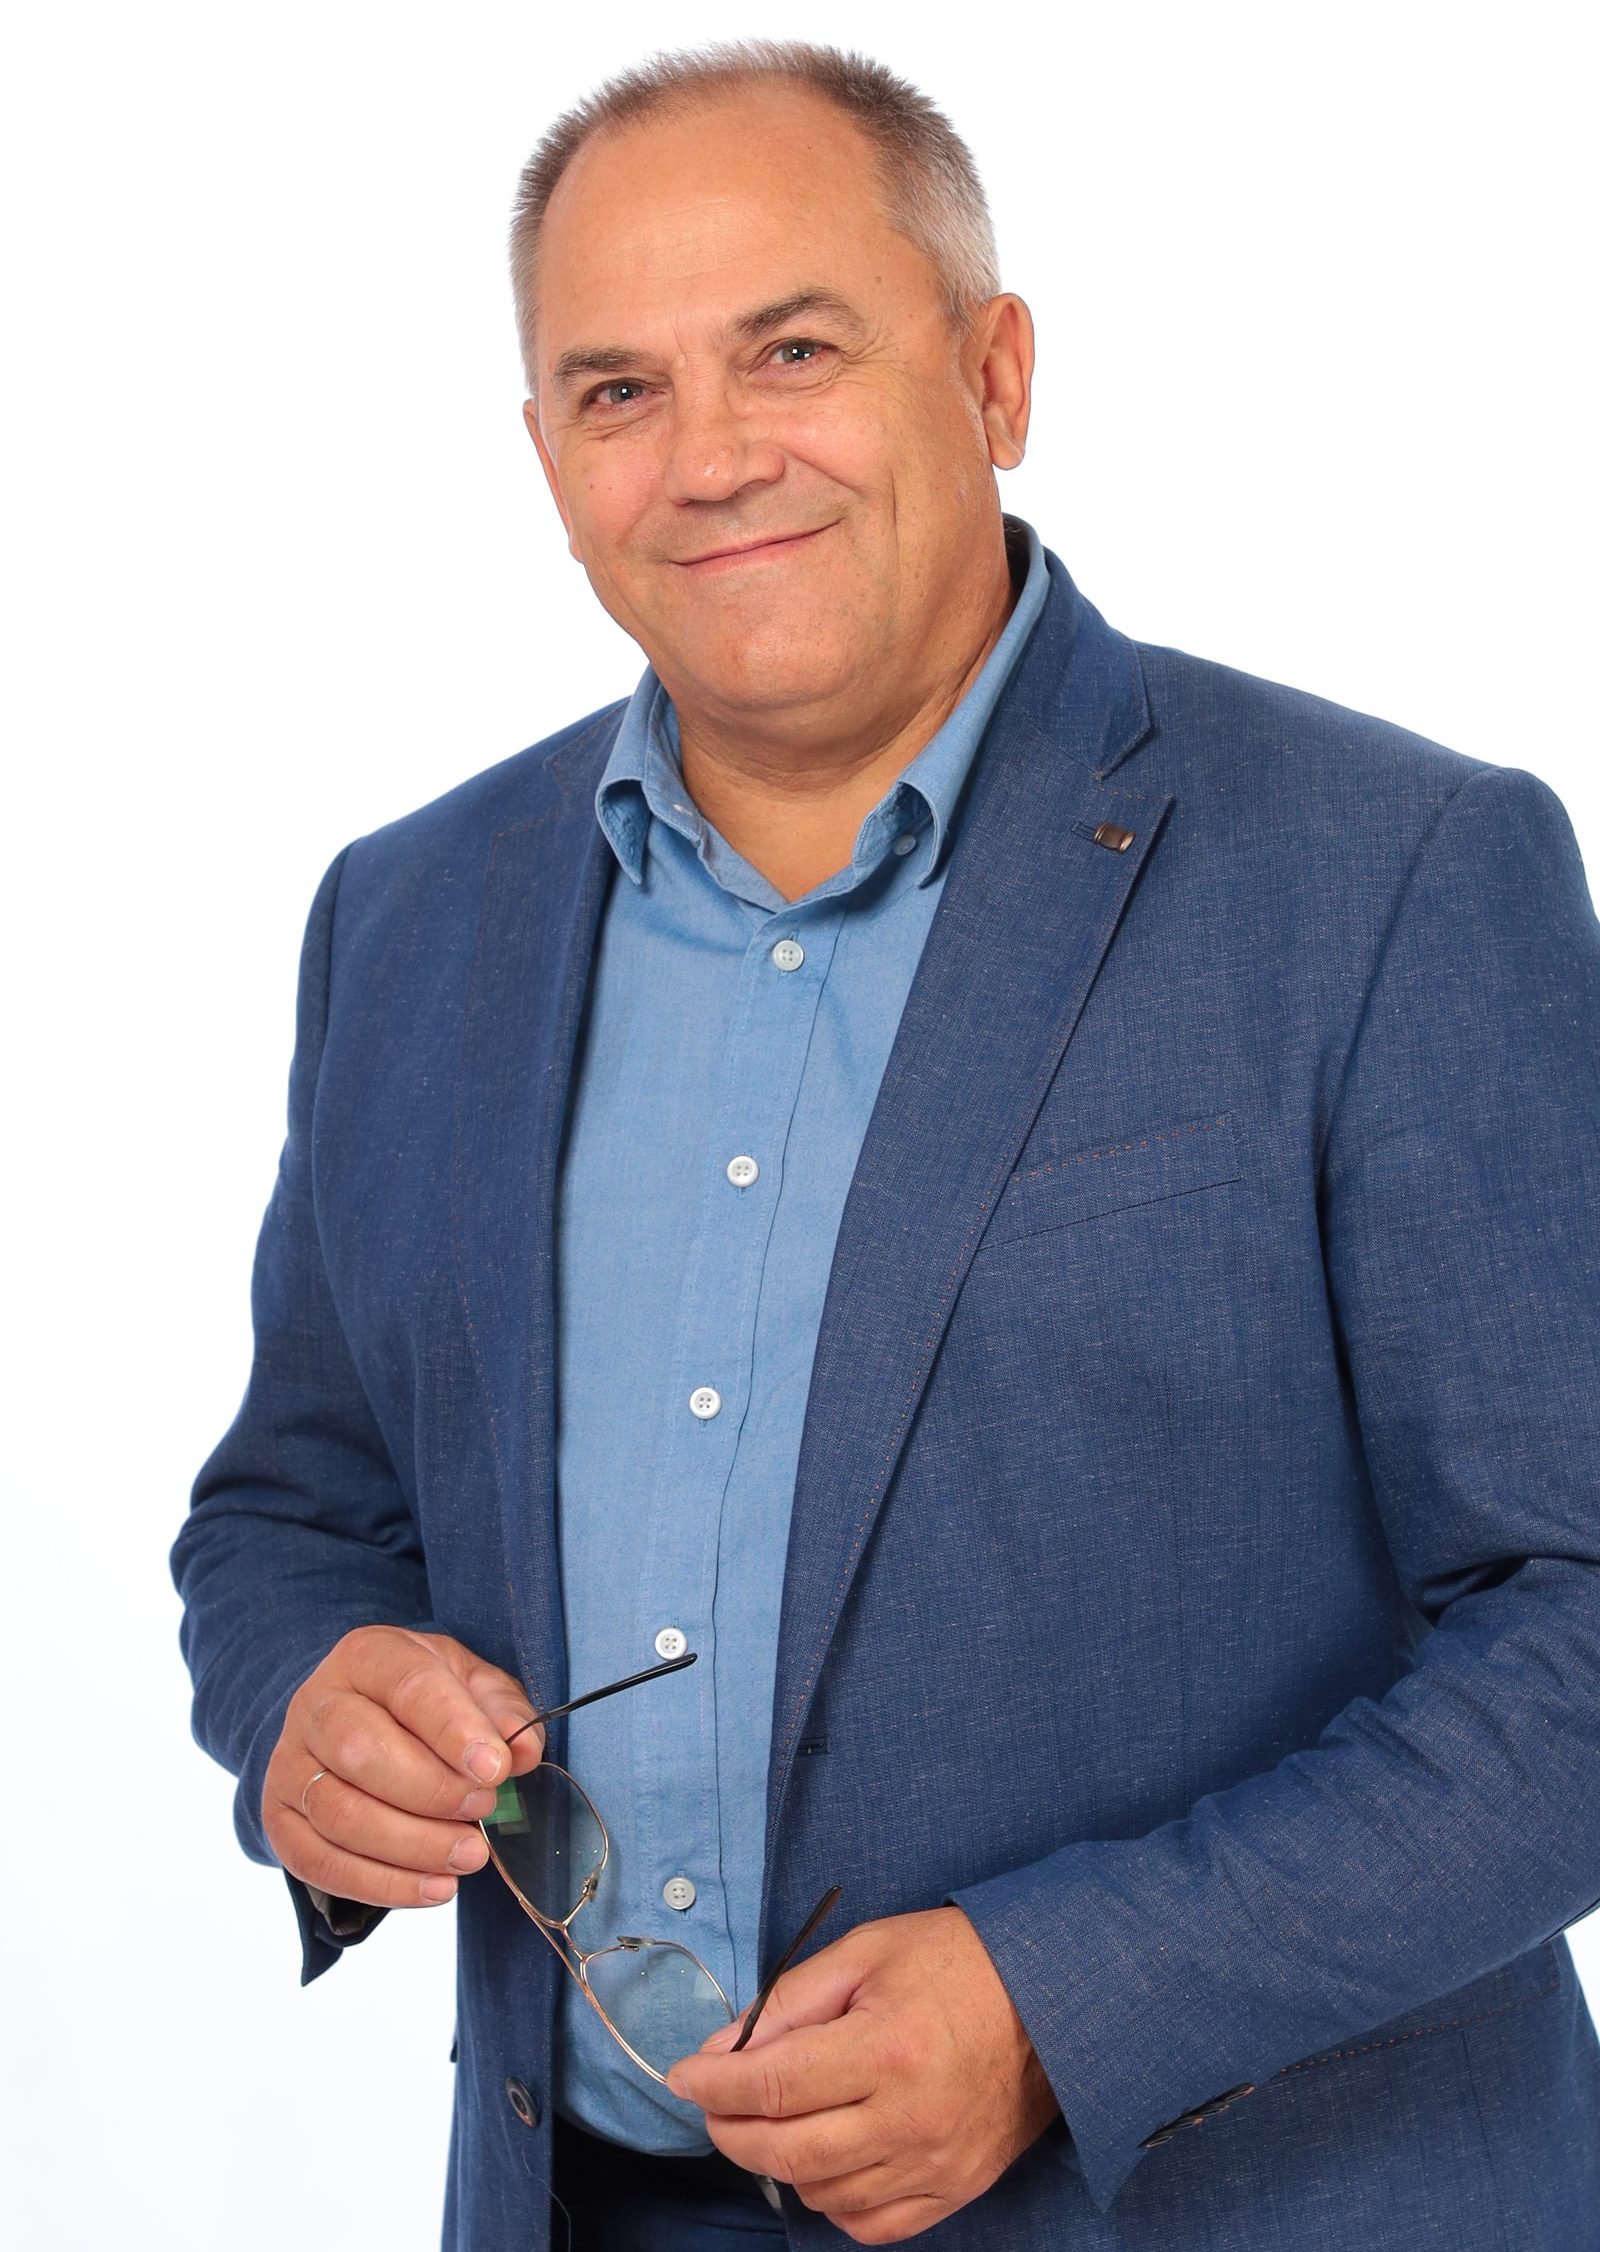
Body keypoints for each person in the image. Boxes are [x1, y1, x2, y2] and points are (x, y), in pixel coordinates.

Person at [171, 37, 1600, 2252]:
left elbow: (1578, 1623)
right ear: (545, 456)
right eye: (619, 389)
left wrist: (1068, 1998)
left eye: (794, 351)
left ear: (994, 374)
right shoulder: (413, 914)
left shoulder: (1389, 873)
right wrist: (303, 1699)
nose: (711, 456)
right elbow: (292, 1512)